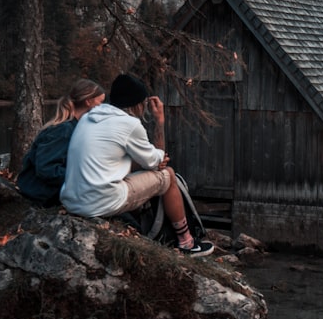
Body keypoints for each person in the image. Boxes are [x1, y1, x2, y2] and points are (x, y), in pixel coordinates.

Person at [60, 73, 214, 257]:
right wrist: (160, 121)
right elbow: (156, 163)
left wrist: (154, 160)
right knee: (169, 175)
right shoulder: (130, 124)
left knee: (139, 168)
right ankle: (186, 243)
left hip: (71, 200)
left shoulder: (89, 117)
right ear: (139, 104)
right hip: (98, 203)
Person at [17, 78, 106, 206]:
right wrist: (84, 179)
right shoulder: (63, 130)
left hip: (53, 191)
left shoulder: (76, 127)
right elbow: (46, 169)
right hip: (42, 194)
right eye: (100, 102)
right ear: (88, 102)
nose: (102, 107)